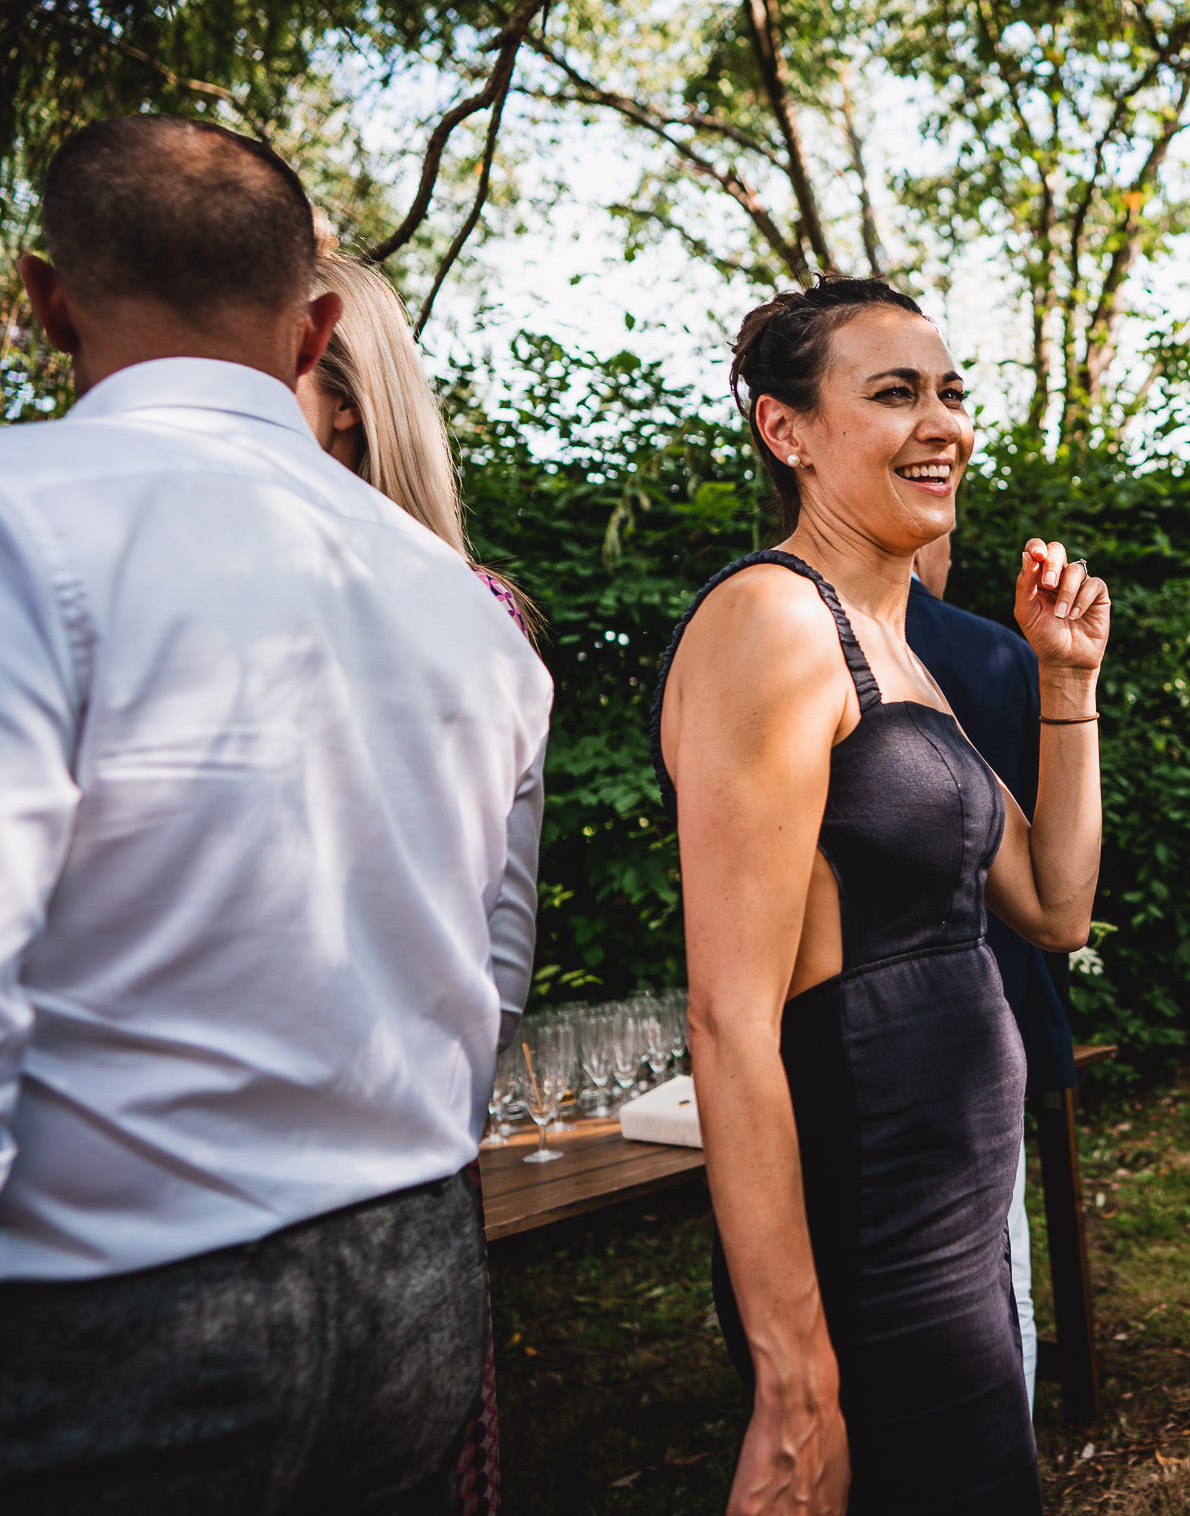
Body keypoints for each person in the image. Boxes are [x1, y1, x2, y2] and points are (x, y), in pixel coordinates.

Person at [0, 117, 552, 1510]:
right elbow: (484, 971)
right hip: (419, 1281)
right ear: (315, 330)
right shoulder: (465, 609)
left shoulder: (23, 521)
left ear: (41, 299)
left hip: (121, 1308)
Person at [651, 275, 1107, 1514]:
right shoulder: (771, 622)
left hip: (960, 1226)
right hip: (874, 1226)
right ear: (784, 429)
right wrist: (793, 1376)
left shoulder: (896, 639)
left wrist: (1068, 686)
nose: (943, 422)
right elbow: (729, 1021)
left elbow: (1056, 904)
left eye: (952, 392)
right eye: (895, 393)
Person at [299, 242, 542, 1516]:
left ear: (334, 384)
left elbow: (495, 960)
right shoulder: (476, 608)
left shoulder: (464, 610)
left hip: (384, 1188)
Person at [906, 525, 1078, 1408]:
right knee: (991, 1288)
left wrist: (1073, 682)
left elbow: (1059, 895)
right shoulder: (984, 651)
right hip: (981, 1007)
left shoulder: (1014, 652)